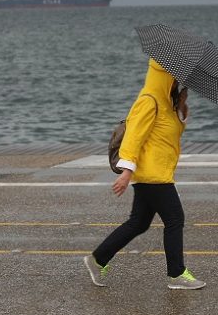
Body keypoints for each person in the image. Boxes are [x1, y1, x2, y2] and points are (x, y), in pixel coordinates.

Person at [84, 58, 205, 290]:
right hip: (152, 175)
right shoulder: (148, 101)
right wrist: (126, 171)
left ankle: (97, 259)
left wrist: (182, 108)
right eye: (175, 76)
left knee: (139, 222)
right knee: (175, 219)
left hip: (157, 171)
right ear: (164, 75)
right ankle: (177, 274)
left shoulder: (166, 102)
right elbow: (134, 136)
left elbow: (168, 134)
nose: (178, 81)